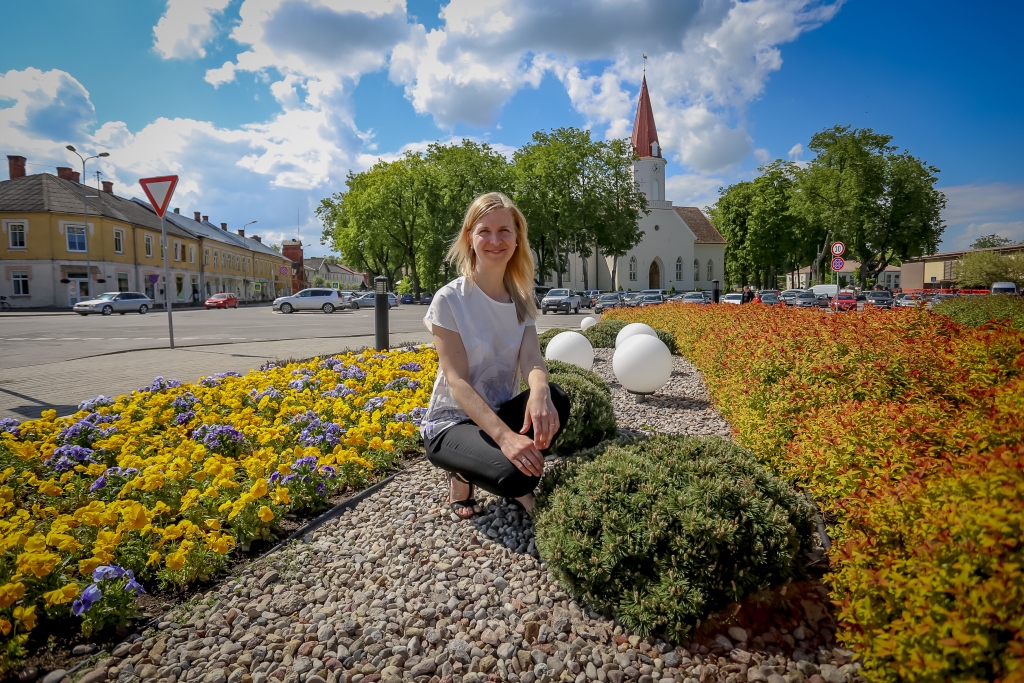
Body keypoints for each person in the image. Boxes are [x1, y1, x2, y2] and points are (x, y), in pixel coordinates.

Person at [421, 192, 571, 519]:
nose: (495, 240)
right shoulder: (450, 300)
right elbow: (457, 381)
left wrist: (541, 391)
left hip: (498, 410)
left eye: (504, 231)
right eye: (484, 231)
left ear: (517, 239)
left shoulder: (521, 297)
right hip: (451, 423)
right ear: (469, 239)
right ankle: (465, 474)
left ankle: (513, 474)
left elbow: (531, 358)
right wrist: (506, 439)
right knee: (512, 474)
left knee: (557, 400)